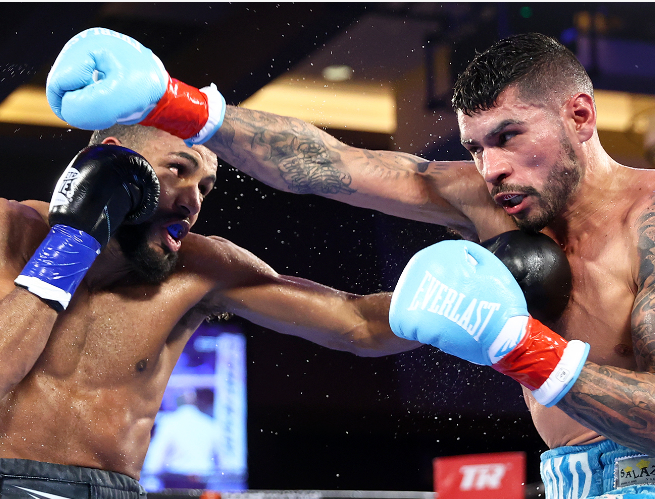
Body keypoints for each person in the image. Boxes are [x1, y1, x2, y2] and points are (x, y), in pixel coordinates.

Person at [46, 27, 655, 499]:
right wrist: (176, 104)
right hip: (566, 477)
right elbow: (330, 165)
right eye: (475, 145)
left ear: (580, 115)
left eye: (509, 136)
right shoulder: (485, 197)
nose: (491, 167)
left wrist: (518, 345)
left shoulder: (648, 219)